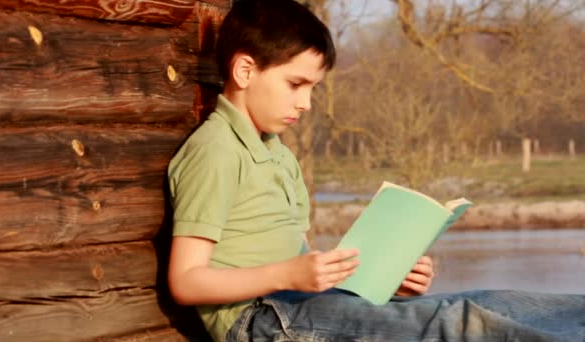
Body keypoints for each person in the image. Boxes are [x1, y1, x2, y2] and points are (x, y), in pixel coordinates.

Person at [167, 1, 585, 341]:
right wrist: (288, 274)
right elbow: (186, 281)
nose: (306, 104)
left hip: (303, 304)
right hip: (260, 321)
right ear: (245, 71)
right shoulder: (216, 152)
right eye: (296, 85)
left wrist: (385, 277)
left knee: (503, 303)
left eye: (313, 89)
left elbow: (300, 266)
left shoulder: (278, 154)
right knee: (459, 323)